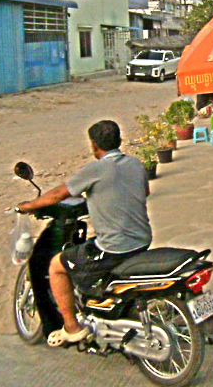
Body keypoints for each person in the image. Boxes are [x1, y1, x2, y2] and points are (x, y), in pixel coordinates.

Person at [16, 119, 152, 347]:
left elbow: (58, 194)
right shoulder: (136, 164)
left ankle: (72, 328)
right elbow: (143, 192)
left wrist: (28, 206)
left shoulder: (96, 169)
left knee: (57, 266)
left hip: (114, 248)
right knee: (87, 250)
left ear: (94, 145)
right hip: (142, 241)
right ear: (119, 140)